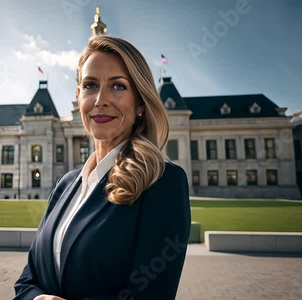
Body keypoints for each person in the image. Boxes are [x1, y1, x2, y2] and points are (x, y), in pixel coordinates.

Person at [14, 35, 191, 300]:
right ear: (79, 97)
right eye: (90, 85)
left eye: (118, 86)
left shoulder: (163, 183)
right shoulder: (66, 186)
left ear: (140, 103)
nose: (100, 100)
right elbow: (27, 280)